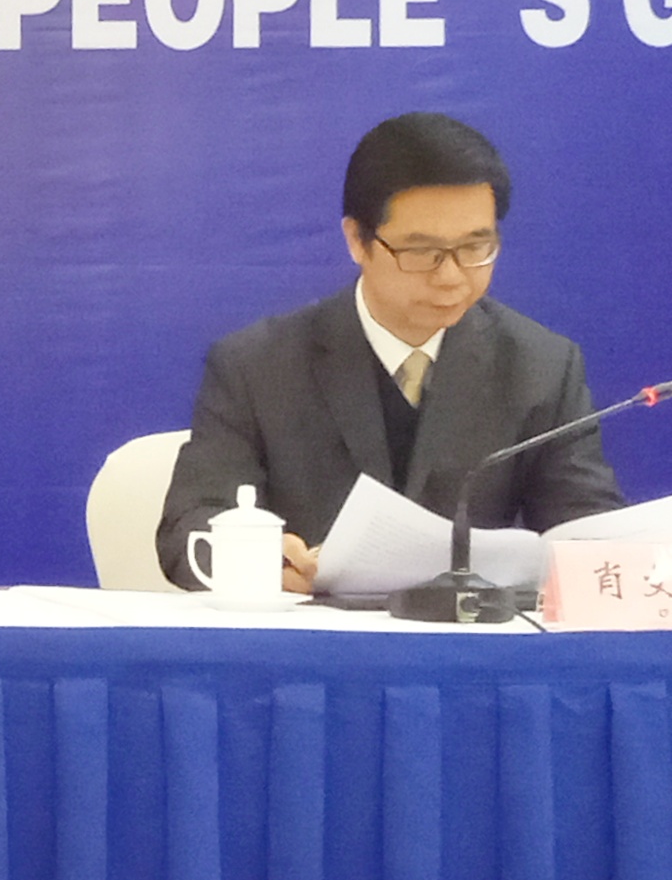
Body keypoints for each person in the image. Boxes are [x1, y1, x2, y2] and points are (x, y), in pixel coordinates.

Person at [155, 111, 620, 595]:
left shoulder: (542, 367)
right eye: (422, 252)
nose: (451, 277)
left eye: (475, 247)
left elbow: (586, 527)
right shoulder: (256, 367)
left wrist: (627, 560)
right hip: (314, 631)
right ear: (357, 241)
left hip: (468, 636)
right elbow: (190, 527)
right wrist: (257, 562)